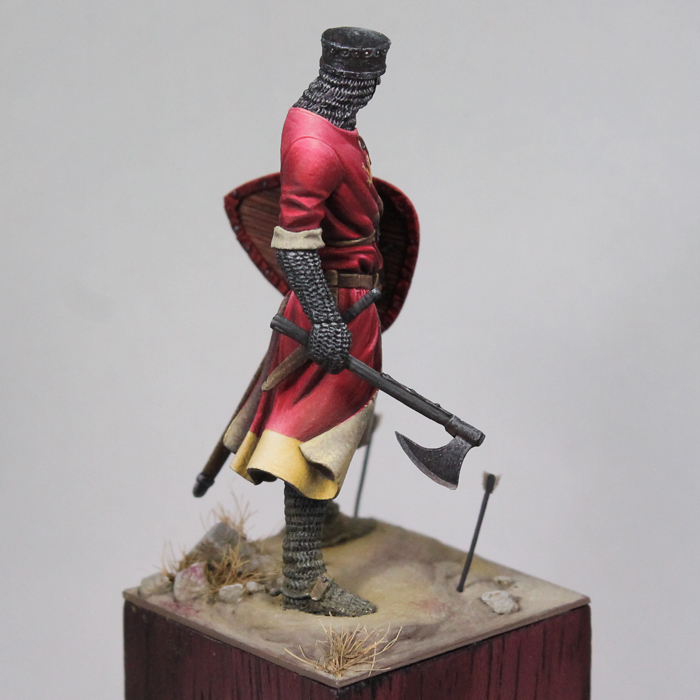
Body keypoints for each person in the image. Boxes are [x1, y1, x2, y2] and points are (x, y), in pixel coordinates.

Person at [226, 27, 391, 616]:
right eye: (369, 78)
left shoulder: (335, 126)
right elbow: (295, 248)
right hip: (333, 302)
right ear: (352, 77)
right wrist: (325, 321)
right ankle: (302, 578)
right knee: (309, 438)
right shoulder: (314, 143)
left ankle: (325, 521)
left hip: (353, 300)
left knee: (346, 422)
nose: (373, 88)